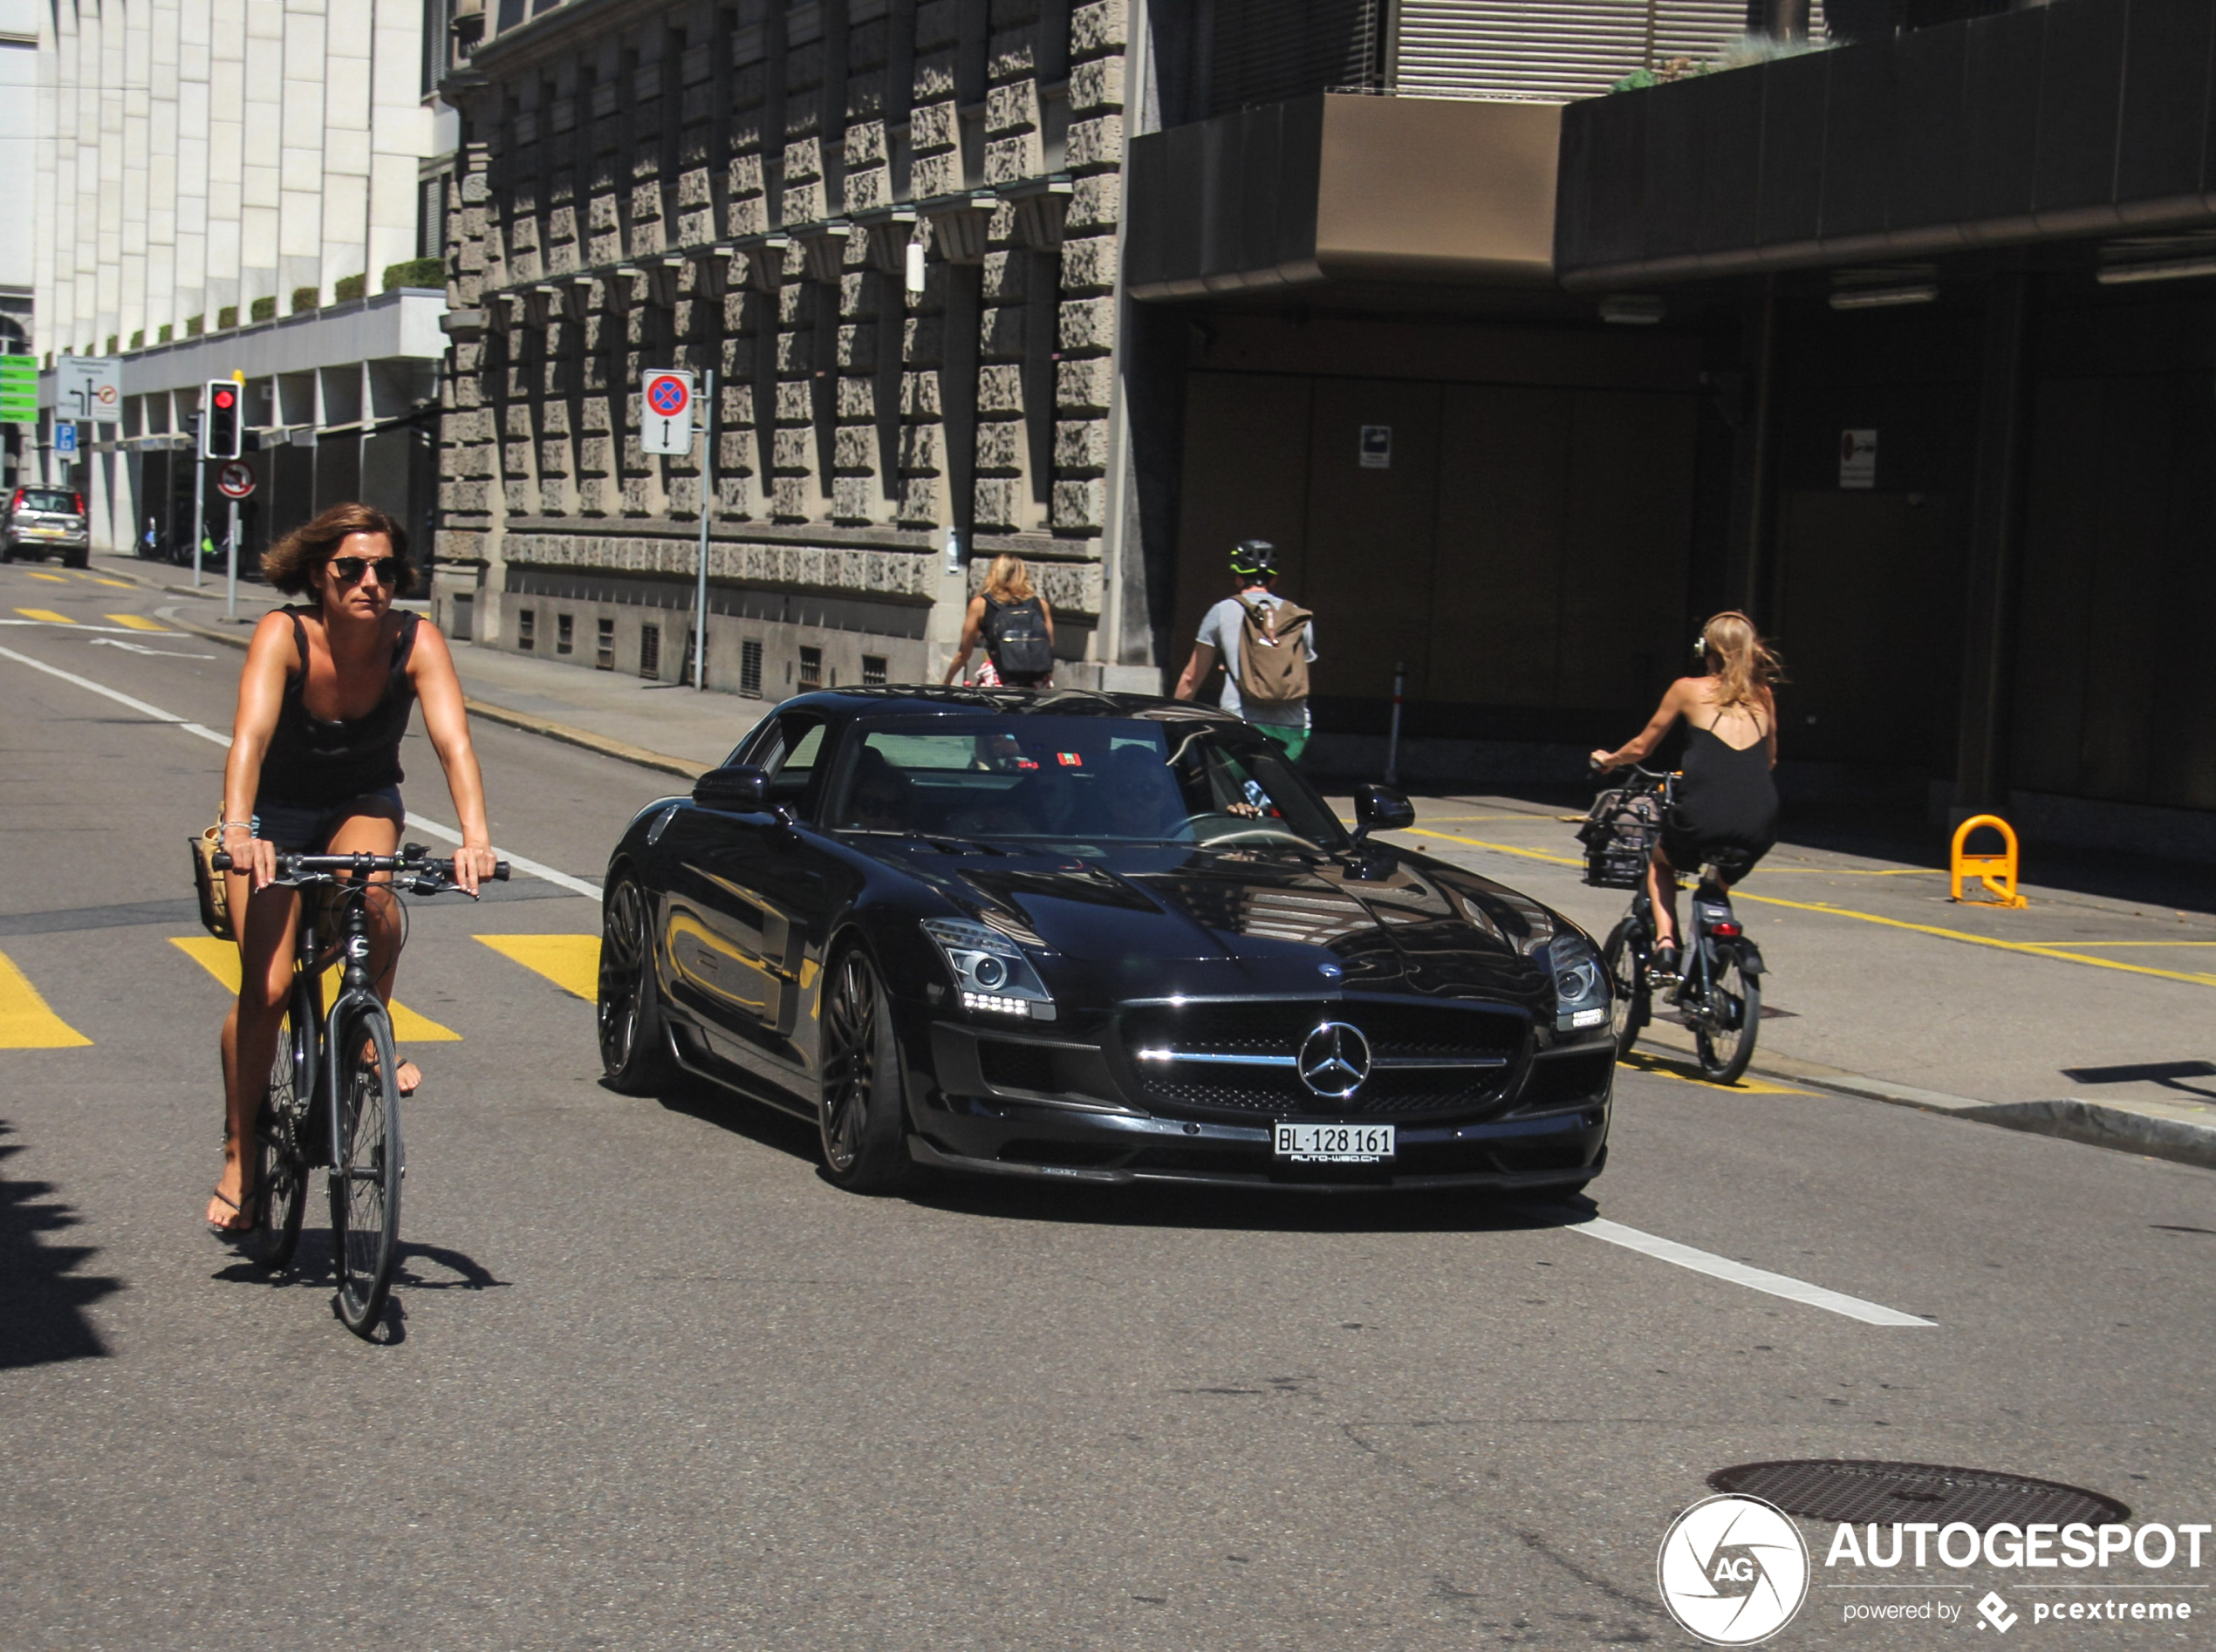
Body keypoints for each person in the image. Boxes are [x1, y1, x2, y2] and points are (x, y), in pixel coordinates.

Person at [205, 502, 498, 1236]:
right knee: (266, 987)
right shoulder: (285, 635)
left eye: (386, 570)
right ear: (318, 575)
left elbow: (454, 744)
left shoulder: (415, 640)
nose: (372, 582)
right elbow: (249, 737)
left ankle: (368, 1028)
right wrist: (240, 828)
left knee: (377, 900)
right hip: (277, 811)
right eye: (352, 568)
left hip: (361, 800)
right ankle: (242, 1155)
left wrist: (476, 838)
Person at [1590, 611, 1782, 977]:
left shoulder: (1687, 689)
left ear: (1704, 649)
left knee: (1660, 863)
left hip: (1701, 814)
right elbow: (1770, 760)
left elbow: (1643, 747)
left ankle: (1665, 944)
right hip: (1760, 820)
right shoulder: (1764, 695)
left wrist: (1609, 760)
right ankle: (1713, 935)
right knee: (1716, 884)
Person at [1173, 539, 1317, 762]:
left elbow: (1191, 678)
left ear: (1238, 578)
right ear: (1275, 579)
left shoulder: (1222, 611)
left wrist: (1172, 722)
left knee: (1230, 794)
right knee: (1276, 795)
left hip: (1240, 724)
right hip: (1293, 727)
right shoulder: (1299, 616)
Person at [944, 554, 1056, 687]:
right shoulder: (1041, 605)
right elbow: (1049, 646)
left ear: (995, 573)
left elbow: (964, 653)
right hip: (1034, 681)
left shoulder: (981, 605)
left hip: (999, 678)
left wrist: (946, 681)